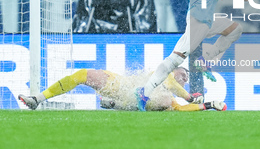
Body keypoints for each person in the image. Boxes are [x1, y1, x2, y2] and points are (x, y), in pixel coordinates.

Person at [136, 0, 243, 111]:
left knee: (235, 29)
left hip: (204, 18)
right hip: (198, 21)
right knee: (175, 59)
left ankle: (205, 60)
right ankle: (145, 91)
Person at [18, 67, 226, 111]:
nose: (184, 76)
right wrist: (191, 97)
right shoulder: (167, 75)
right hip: (120, 83)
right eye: (183, 73)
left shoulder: (168, 97)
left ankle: (115, 104)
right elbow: (177, 87)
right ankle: (37, 98)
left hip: (124, 95)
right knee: (81, 75)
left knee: (162, 104)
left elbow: (181, 108)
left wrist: (208, 105)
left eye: (187, 77)